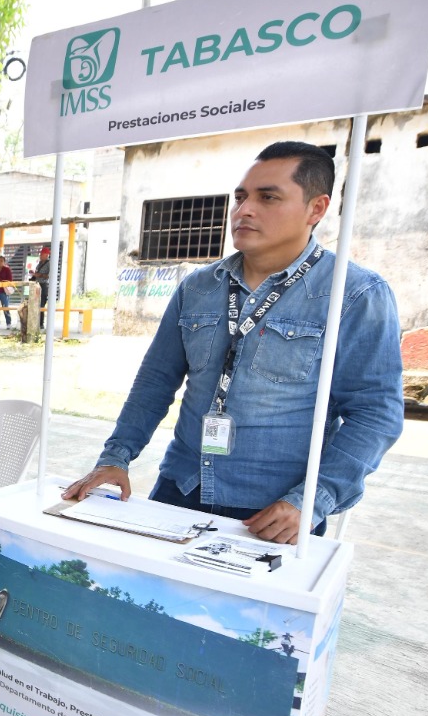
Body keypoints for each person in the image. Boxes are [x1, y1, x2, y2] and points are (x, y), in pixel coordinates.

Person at [62, 141, 404, 544]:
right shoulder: (199, 287)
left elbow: (375, 412)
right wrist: (115, 458)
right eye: (240, 197)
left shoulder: (355, 294)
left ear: (316, 209)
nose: (243, 210)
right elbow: (155, 383)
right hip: (180, 490)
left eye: (268, 197)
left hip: (273, 514)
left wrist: (314, 499)